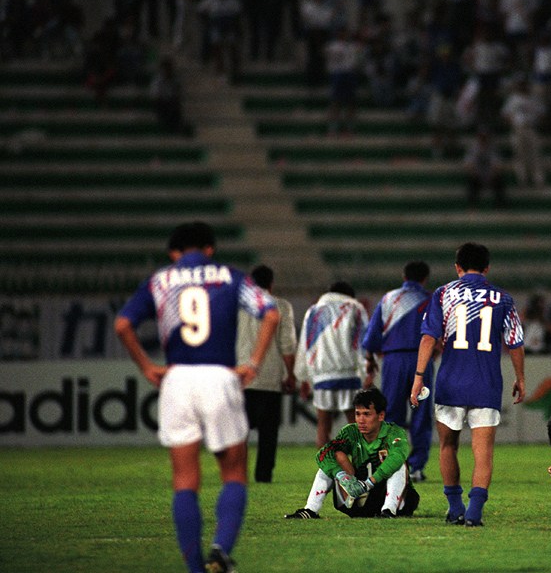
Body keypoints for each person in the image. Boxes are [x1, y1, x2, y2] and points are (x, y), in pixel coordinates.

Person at [114, 221, 280, 573]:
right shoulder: (228, 276)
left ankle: (193, 567)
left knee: (185, 480)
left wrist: (146, 366)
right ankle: (220, 551)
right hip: (219, 376)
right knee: (233, 472)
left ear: (174, 253)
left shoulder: (160, 280)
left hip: (177, 379)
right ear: (209, 249)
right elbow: (271, 312)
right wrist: (253, 363)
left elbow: (122, 325)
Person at [410, 242, 526, 527]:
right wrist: (520, 378)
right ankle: (474, 513)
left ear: (457, 267)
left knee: (448, 446)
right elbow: (515, 342)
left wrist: (418, 377)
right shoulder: (503, 299)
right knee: (483, 451)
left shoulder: (443, 294)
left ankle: (455, 508)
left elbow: (428, 338)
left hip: (451, 382)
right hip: (486, 384)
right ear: (487, 268)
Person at [284, 388, 420, 519]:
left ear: (381, 416)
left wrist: (369, 483)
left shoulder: (394, 432)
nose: (360, 420)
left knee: (398, 464)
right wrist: (341, 475)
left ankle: (389, 510)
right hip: (362, 497)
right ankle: (310, 510)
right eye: (357, 414)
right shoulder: (350, 432)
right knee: (333, 458)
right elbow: (323, 453)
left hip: (398, 501)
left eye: (366, 414)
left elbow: (398, 456)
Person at [362, 261, 435, 482]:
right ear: (424, 279)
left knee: (392, 415)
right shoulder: (431, 299)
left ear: (404, 276)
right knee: (421, 415)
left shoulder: (388, 298)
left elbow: (372, 336)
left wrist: (370, 360)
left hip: (393, 360)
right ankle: (416, 467)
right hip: (421, 361)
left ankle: (392, 464)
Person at [238, 265, 297, 483]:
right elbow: (287, 345)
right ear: (271, 284)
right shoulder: (281, 306)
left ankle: (238, 475)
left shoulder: (237, 306)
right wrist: (291, 375)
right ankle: (263, 475)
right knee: (268, 433)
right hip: (270, 378)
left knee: (239, 432)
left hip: (240, 377)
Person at [295, 280, 371, 448]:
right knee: (356, 425)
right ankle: (360, 468)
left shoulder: (313, 312)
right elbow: (362, 343)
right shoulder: (355, 308)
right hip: (348, 374)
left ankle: (325, 471)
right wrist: (367, 372)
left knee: (323, 427)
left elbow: (304, 346)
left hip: (322, 375)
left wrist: (303, 377)